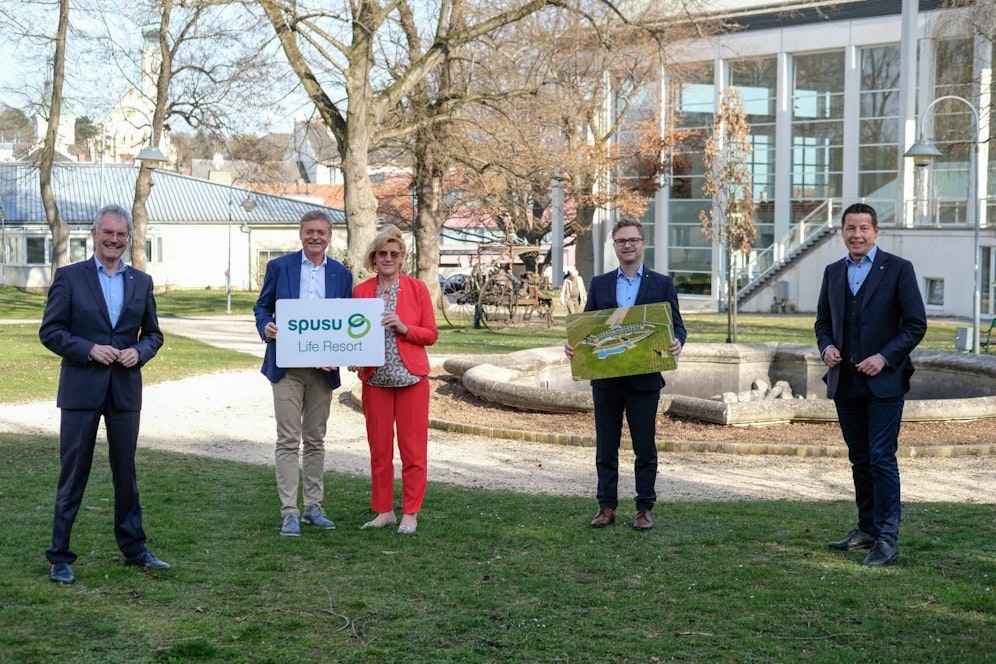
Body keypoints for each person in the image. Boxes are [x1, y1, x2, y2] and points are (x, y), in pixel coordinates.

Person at [39, 204, 169, 584]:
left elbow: (154, 335)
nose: (114, 240)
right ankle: (60, 555)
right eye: (108, 233)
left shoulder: (141, 282)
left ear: (129, 239)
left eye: (121, 235)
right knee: (73, 473)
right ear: (94, 234)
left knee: (126, 474)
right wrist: (87, 348)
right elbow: (50, 331)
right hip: (82, 389)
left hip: (125, 391)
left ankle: (134, 549)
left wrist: (140, 352)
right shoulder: (69, 277)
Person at [815, 202, 927, 566]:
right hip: (845, 383)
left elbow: (915, 324)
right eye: (850, 228)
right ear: (842, 232)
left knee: (881, 458)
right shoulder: (833, 272)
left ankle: (887, 539)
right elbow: (822, 323)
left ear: (876, 231)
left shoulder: (898, 269)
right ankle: (866, 529)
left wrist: (884, 357)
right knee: (859, 458)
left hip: (885, 384)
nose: (857, 234)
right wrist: (828, 346)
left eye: (864, 228)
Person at [565, 219, 686, 531]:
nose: (628, 245)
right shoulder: (601, 284)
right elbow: (588, 327)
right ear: (614, 246)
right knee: (606, 446)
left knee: (645, 447)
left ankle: (644, 508)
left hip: (644, 380)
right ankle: (606, 507)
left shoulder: (662, 284)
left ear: (643, 243)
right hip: (606, 380)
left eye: (633, 240)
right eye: (621, 241)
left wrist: (677, 341)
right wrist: (576, 346)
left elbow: (678, 326)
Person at [253, 210, 353, 537]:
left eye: (321, 232)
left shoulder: (341, 274)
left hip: (321, 371)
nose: (315, 237)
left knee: (315, 439)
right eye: (309, 231)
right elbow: (262, 306)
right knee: (287, 439)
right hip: (287, 367)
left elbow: (343, 321)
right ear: (300, 234)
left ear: (329, 236)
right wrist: (264, 325)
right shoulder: (279, 267)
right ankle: (289, 512)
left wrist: (337, 355)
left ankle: (313, 506)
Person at [350, 225, 438, 535]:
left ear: (402, 258)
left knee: (413, 450)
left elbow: (431, 334)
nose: (388, 258)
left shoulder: (417, 289)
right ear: (373, 258)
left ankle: (410, 513)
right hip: (375, 381)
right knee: (379, 449)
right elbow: (352, 335)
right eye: (382, 254)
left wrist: (403, 327)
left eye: (394, 254)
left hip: (412, 378)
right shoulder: (360, 291)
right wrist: (352, 356)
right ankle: (384, 511)